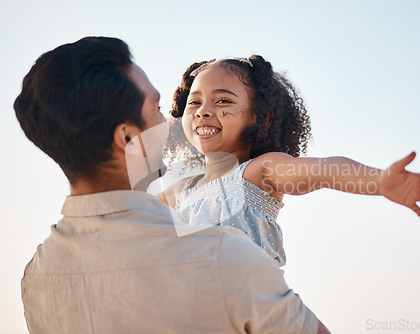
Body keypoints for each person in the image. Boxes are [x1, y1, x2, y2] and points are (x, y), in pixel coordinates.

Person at [15, 37, 329, 333]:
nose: (170, 124)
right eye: (155, 109)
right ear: (127, 138)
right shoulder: (225, 257)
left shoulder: (37, 278)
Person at [158, 56, 420, 266]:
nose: (203, 111)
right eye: (194, 102)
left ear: (259, 116)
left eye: (223, 101)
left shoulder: (257, 171)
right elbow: (126, 211)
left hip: (250, 307)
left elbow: (323, 170)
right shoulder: (180, 189)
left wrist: (378, 181)